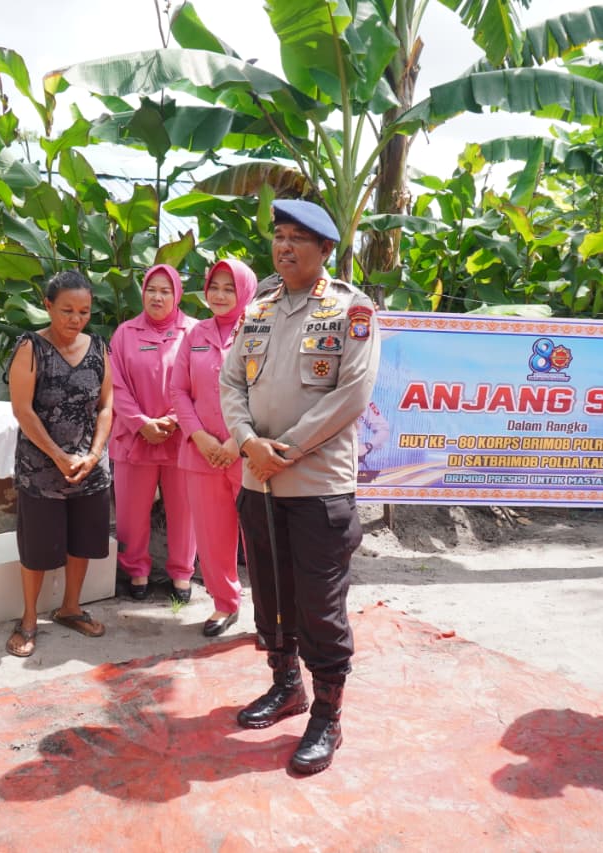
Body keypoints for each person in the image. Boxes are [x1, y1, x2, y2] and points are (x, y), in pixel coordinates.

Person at [220, 199, 380, 775]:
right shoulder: (257, 309)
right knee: (270, 593)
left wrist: (281, 450)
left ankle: (328, 716)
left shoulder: (352, 311)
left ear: (326, 250)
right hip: (258, 483)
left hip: (316, 487)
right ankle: (287, 687)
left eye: (297, 238)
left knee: (320, 605)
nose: (284, 247)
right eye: (278, 236)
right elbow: (230, 380)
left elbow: (352, 395)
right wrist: (246, 441)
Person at [7, 270, 114, 657]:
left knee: (82, 543)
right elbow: (22, 410)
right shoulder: (31, 349)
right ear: (48, 306)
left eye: (84, 311)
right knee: (36, 548)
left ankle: (70, 608)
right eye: (67, 310)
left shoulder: (100, 347)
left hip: (89, 468)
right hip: (41, 470)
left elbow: (106, 406)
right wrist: (58, 455)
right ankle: (30, 618)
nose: (76, 319)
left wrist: (95, 454)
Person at [170, 258, 258, 637]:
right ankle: (225, 604)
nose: (220, 295)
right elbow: (178, 390)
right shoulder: (195, 334)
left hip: (251, 455)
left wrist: (236, 441)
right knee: (211, 536)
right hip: (201, 454)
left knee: (260, 538)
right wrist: (200, 437)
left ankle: (274, 612)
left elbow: (267, 391)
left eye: (229, 288)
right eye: (214, 287)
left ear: (246, 292)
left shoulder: (259, 332)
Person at [109, 264, 197, 602]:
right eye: (151, 290)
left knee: (184, 510)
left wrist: (174, 420)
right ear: (142, 292)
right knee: (131, 511)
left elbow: (200, 382)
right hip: (135, 437)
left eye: (165, 290)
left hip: (181, 438)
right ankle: (136, 571)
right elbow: (114, 384)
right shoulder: (125, 333)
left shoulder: (194, 332)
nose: (157, 297)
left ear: (176, 295)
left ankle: (182, 574)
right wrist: (141, 423)